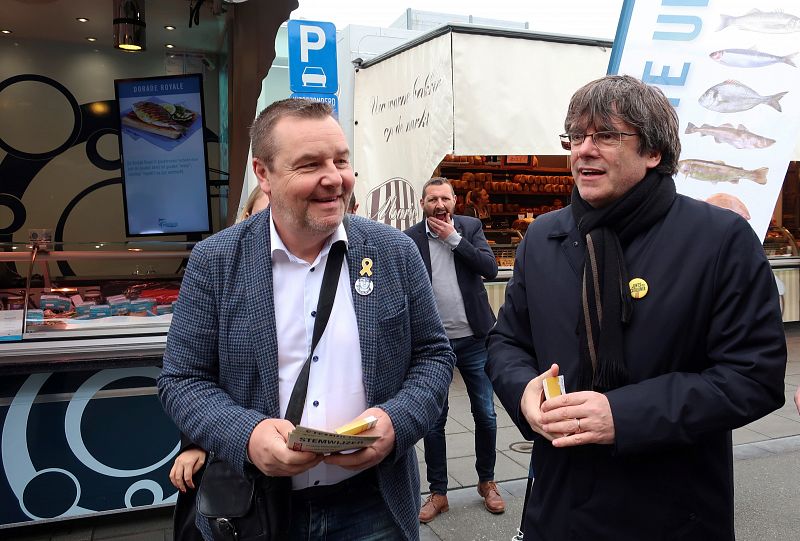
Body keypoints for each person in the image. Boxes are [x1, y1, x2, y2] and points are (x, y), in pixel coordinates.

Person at [486, 75, 786, 541]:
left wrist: (623, 415)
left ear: (654, 153)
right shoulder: (543, 238)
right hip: (558, 504)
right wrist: (524, 392)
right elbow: (506, 341)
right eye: (576, 135)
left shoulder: (720, 240)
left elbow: (754, 375)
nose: (584, 150)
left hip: (672, 510)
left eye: (606, 135)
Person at [158, 98, 455, 541]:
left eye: (341, 160)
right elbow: (182, 380)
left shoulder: (393, 252)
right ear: (264, 174)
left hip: (374, 504)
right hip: (257, 506)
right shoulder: (216, 261)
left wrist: (397, 423)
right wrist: (248, 435)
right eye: (310, 164)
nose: (334, 178)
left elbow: (434, 356)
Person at [404, 177, 504, 523]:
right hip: (433, 346)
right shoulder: (410, 239)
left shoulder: (470, 227)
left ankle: (487, 482)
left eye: (445, 198)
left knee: (486, 415)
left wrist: (454, 240)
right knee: (434, 420)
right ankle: (439, 492)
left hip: (475, 338)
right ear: (422, 204)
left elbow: (490, 269)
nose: (439, 205)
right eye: (432, 199)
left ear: (455, 201)